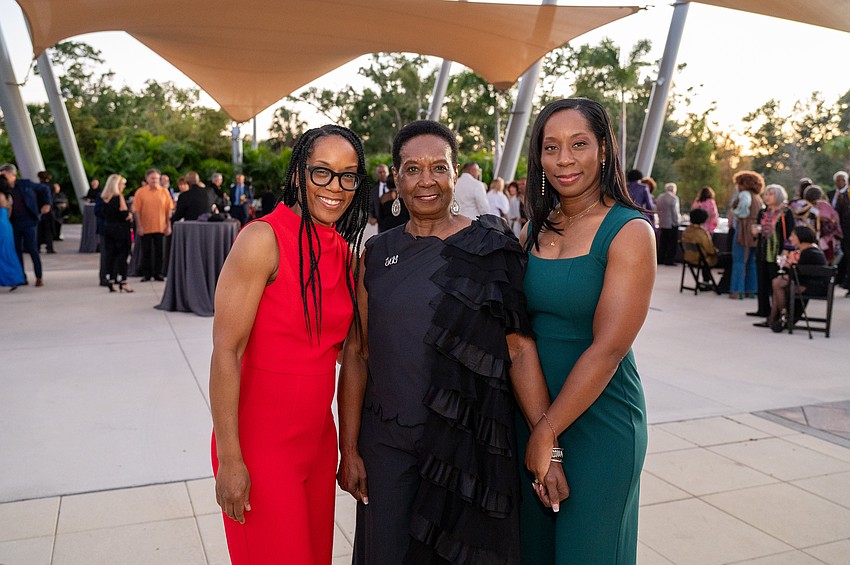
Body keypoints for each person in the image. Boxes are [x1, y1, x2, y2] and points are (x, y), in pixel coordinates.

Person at [337, 120, 566, 565]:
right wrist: (349, 448)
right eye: (412, 169)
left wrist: (549, 443)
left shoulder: (492, 245)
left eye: (438, 167)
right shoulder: (376, 255)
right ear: (396, 180)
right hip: (388, 446)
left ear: (455, 174)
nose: (426, 180)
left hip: (468, 447)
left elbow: (518, 349)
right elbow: (357, 353)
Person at [210, 125, 370, 565]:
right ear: (299, 172)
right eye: (322, 172)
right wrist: (229, 459)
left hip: (318, 443)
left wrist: (348, 448)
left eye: (348, 175)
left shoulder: (346, 254)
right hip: (259, 445)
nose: (335, 187)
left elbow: (355, 355)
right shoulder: (262, 240)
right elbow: (226, 352)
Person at [519, 98, 656, 564]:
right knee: (534, 553)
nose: (563, 159)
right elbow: (517, 337)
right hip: (533, 413)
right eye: (551, 147)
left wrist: (549, 433)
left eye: (578, 144)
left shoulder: (630, 231)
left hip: (599, 424)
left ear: (603, 150)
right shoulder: (533, 229)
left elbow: (609, 348)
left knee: (590, 553)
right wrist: (540, 427)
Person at [766, 226, 827, 332]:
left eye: (793, 236)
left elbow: (801, 274)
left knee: (777, 283)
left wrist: (788, 270)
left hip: (813, 286)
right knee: (777, 283)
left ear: (801, 237)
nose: (791, 238)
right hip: (810, 283)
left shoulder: (809, 252)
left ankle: (783, 315)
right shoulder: (811, 250)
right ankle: (776, 317)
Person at [749, 184, 796, 324]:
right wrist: (755, 234)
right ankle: (762, 309)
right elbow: (758, 231)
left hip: (778, 253)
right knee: (762, 282)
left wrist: (786, 251)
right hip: (763, 251)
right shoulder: (763, 212)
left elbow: (790, 234)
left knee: (774, 281)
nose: (767, 197)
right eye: (766, 194)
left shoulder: (786, 213)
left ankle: (774, 313)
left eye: (771, 194)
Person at [0, 163, 51, 287]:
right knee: (17, 251)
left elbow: (44, 188)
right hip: (13, 224)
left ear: (11, 174)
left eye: (3, 173)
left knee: (32, 249)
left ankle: (39, 277)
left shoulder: (25, 184)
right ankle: (21, 277)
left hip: (29, 222)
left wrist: (47, 203)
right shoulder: (3, 188)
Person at [132, 168, 173, 281]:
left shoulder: (164, 192)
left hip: (160, 226)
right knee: (146, 252)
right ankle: (147, 274)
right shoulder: (140, 192)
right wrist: (139, 226)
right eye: (152, 178)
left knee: (160, 252)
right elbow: (136, 210)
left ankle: (158, 273)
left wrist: (168, 225)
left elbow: (168, 210)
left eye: (156, 178)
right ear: (147, 179)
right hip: (145, 227)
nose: (155, 180)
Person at [729, 171, 765, 299]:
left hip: (744, 229)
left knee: (739, 260)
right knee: (751, 261)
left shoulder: (744, 194)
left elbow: (743, 209)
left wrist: (735, 212)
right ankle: (751, 289)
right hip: (754, 230)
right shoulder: (758, 197)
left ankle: (737, 290)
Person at [100, 174, 134, 293]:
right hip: (120, 230)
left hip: (108, 228)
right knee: (122, 256)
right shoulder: (118, 197)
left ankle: (111, 279)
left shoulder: (104, 197)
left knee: (110, 255)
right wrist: (129, 215)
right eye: (123, 184)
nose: (124, 186)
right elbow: (124, 215)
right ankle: (123, 281)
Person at [794, 185, 843, 265]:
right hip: (826, 241)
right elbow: (835, 220)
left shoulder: (802, 207)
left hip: (807, 242)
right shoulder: (825, 206)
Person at [681, 208, 730, 283]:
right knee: (730, 258)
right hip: (702, 260)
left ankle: (706, 280)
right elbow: (710, 250)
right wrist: (716, 251)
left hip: (689, 258)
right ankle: (724, 283)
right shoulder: (702, 233)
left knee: (704, 255)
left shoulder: (686, 231)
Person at [0, 174, 26, 290]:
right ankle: (14, 278)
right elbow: (9, 213)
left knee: (3, 254)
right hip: (6, 226)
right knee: (8, 253)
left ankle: (10, 279)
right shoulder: (8, 196)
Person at [827, 171, 850, 289]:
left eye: (842, 180)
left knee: (846, 253)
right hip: (833, 230)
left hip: (846, 229)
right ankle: (839, 278)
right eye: (838, 180)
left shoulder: (848, 194)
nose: (840, 182)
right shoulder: (832, 194)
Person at [656, 182, 681, 265]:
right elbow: (675, 212)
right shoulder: (674, 198)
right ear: (674, 189)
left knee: (663, 242)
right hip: (671, 224)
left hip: (663, 223)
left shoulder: (660, 198)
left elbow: (657, 210)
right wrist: (677, 221)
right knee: (672, 243)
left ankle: (661, 258)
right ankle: (669, 260)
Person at [36, 171, 57, 253]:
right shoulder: (51, 187)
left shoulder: (37, 187)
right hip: (48, 210)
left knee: (39, 229)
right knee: (49, 229)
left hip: (39, 209)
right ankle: (49, 247)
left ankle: (37, 247)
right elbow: (52, 198)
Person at [368, 163, 390, 227]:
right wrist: (370, 217)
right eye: (380, 172)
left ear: (388, 173)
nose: (382, 174)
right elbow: (370, 207)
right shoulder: (373, 191)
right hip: (380, 225)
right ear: (377, 174)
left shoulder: (397, 188)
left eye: (384, 172)